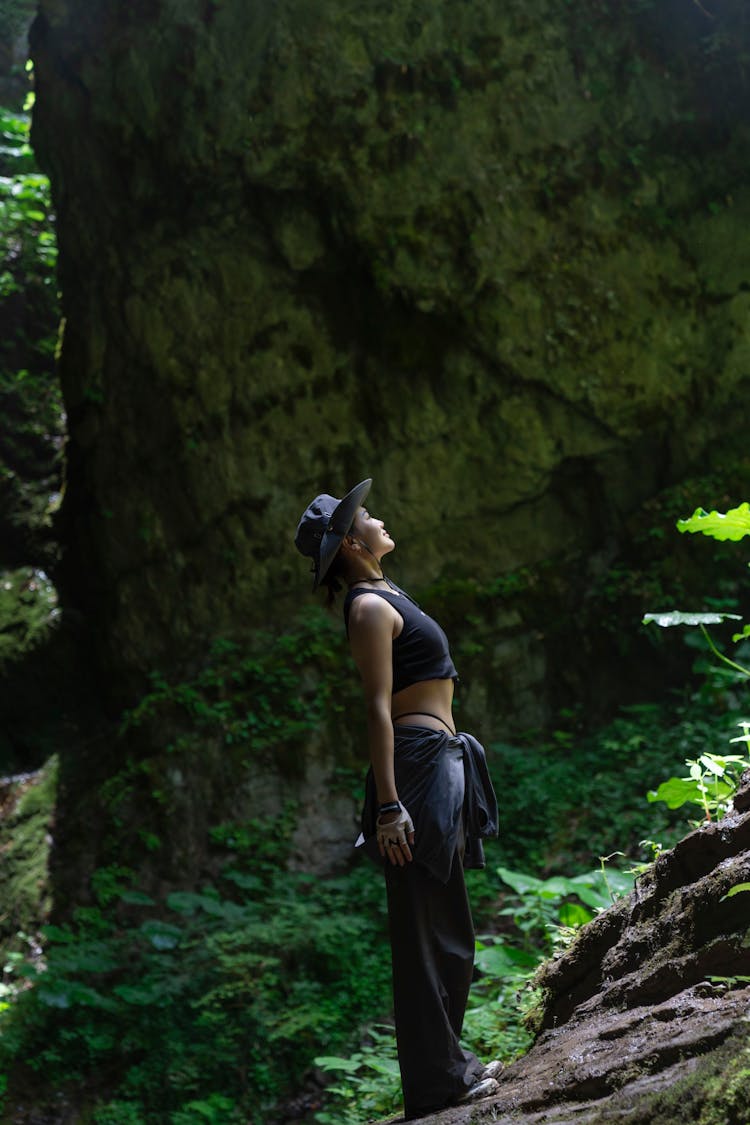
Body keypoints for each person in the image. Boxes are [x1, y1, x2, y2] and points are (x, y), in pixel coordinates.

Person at [295, 478, 501, 1119]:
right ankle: (439, 1088)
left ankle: (451, 1067)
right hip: (409, 772)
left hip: (437, 763)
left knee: (452, 926)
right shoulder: (367, 608)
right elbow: (377, 710)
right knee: (420, 930)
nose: (380, 519)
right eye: (369, 517)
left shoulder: (388, 595)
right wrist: (388, 805)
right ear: (352, 543)